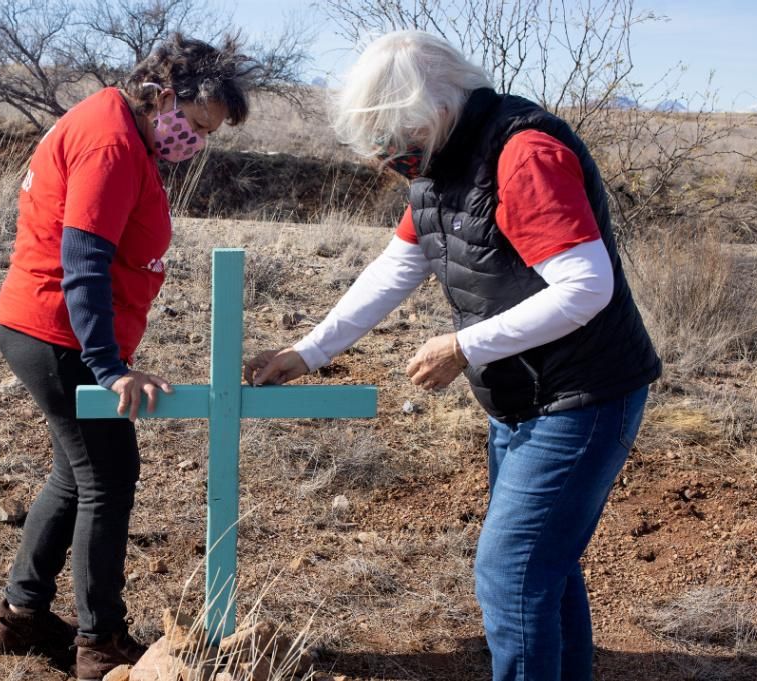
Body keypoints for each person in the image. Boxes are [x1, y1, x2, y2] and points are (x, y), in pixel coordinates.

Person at [245, 30, 661, 681]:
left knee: (511, 573)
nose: (389, 159)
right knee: (542, 571)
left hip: (583, 397)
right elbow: (394, 269)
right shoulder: (442, 171)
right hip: (524, 398)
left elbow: (588, 286)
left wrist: (464, 345)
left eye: (393, 139)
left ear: (431, 108)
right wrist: (308, 350)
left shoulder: (523, 156)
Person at [0, 34, 252, 680]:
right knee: (109, 474)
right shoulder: (108, 141)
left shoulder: (118, 127)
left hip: (47, 328)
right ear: (163, 95)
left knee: (76, 475)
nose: (196, 142)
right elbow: (83, 260)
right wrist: (108, 366)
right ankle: (99, 640)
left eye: (207, 133)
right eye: (194, 125)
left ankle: (22, 615)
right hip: (57, 333)